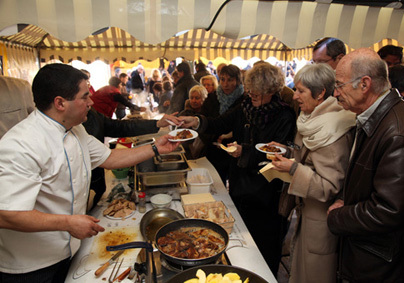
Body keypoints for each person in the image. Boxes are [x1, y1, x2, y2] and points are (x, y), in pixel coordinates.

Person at [0, 63, 180, 282]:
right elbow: (7, 214)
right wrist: (67, 223)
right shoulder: (21, 144)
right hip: (32, 267)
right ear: (60, 103)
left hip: (69, 251)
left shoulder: (75, 129)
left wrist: (155, 148)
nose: (91, 102)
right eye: (85, 97)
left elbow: (110, 158)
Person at [180, 62, 296, 276]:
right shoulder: (245, 107)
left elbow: (279, 154)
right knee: (242, 242)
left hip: (267, 194)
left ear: (271, 91)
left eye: (257, 93)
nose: (251, 95)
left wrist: (246, 151)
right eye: (250, 91)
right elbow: (219, 123)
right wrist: (195, 121)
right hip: (241, 186)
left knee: (264, 247)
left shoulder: (285, 116)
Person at [327, 48, 404, 282]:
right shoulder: (377, 118)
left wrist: (339, 216)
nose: (335, 92)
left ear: (365, 84)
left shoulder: (399, 133)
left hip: (383, 265)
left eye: (339, 85)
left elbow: (389, 211)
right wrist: (347, 199)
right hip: (373, 256)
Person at [270, 64, 356, 283]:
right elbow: (307, 156)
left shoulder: (333, 131)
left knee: (314, 275)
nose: (295, 95)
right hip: (307, 215)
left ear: (320, 94)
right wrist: (287, 152)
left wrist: (293, 169)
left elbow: (330, 186)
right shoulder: (312, 120)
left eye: (301, 91)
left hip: (321, 222)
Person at [83, 109, 180, 208]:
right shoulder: (77, 130)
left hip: (95, 187)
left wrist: (156, 131)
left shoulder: (86, 123)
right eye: (84, 97)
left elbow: (110, 156)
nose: (90, 102)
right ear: (65, 103)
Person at [202, 64, 245, 183]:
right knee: (215, 184)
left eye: (230, 80)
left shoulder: (244, 100)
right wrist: (214, 139)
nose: (225, 84)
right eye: (222, 79)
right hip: (214, 151)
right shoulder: (212, 98)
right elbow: (204, 123)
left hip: (236, 153)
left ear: (237, 80)